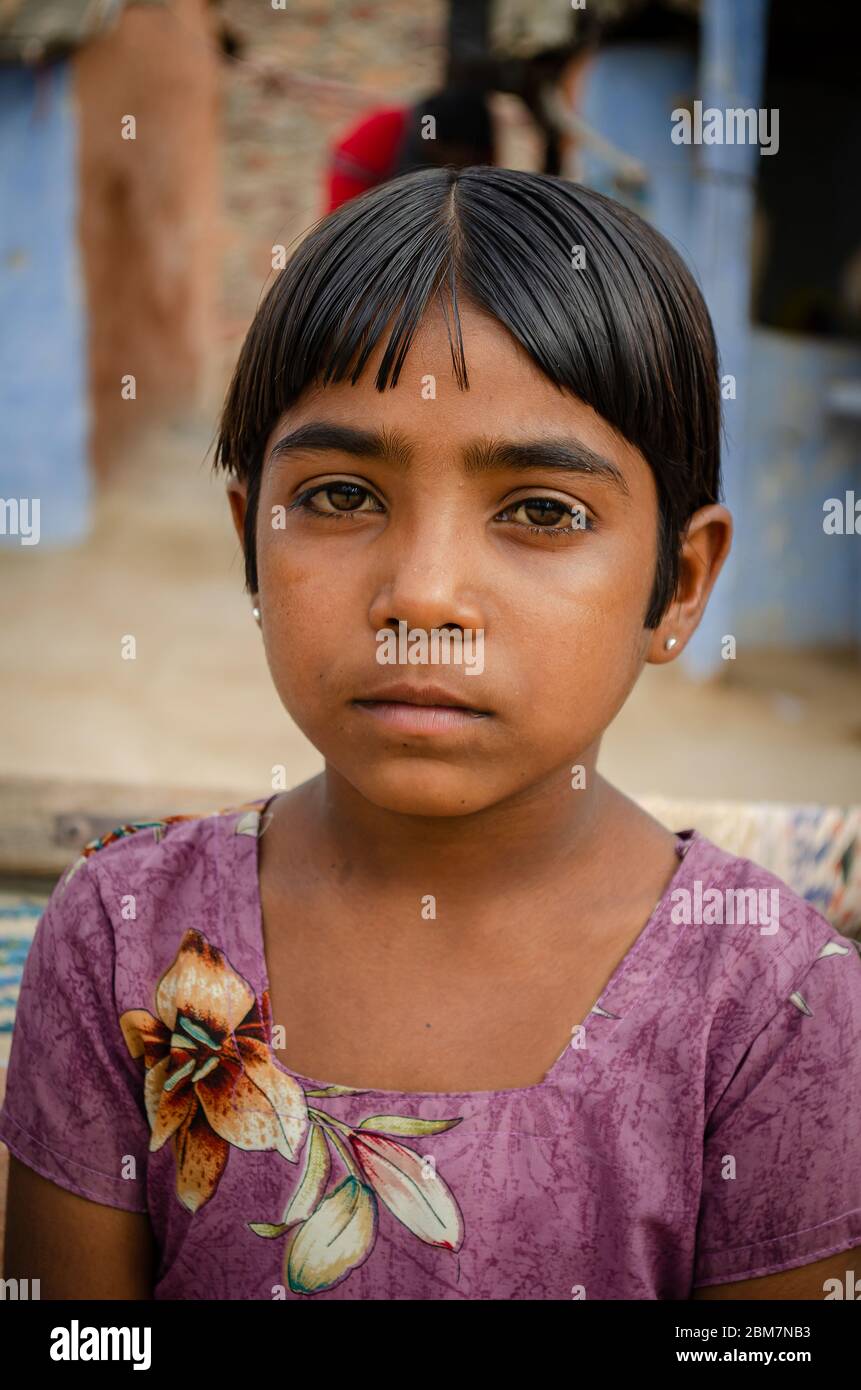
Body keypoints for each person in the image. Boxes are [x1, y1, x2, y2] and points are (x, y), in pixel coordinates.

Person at [2, 167, 860, 1300]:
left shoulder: (772, 1012)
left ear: (681, 583)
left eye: (542, 512)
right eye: (342, 495)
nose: (426, 594)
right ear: (248, 539)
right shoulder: (120, 937)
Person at [325, 86, 493, 212]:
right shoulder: (377, 136)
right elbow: (341, 215)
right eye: (464, 158)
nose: (468, 165)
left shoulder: (471, 135)